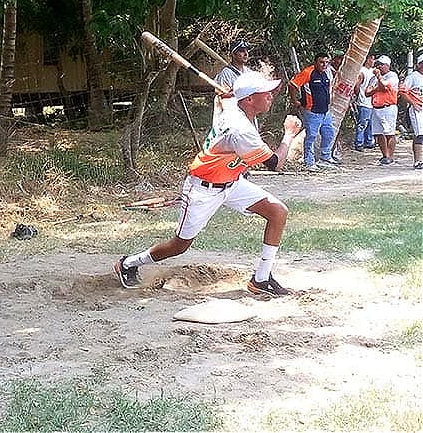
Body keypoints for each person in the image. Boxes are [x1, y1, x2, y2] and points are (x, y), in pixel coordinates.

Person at [114, 72, 303, 297]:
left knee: (278, 212)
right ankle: (128, 263)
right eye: (266, 93)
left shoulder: (236, 105)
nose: (271, 96)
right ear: (249, 100)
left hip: (231, 183)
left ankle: (261, 279)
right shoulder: (240, 129)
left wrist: (225, 95)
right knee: (179, 245)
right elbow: (275, 163)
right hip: (203, 189)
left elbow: (226, 98)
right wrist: (289, 134)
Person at [288, 52, 340, 171]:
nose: (324, 65)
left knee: (329, 134)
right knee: (311, 136)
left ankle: (325, 157)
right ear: (316, 62)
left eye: (327, 62)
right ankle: (309, 162)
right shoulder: (308, 72)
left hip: (325, 111)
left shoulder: (327, 73)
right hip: (312, 111)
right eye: (322, 62)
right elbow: (292, 84)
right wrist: (295, 100)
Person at [365, 55, 400, 165]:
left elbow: (384, 87)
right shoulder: (373, 78)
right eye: (378, 64)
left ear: (387, 66)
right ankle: (385, 155)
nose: (379, 66)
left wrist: (379, 78)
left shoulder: (392, 76)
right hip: (376, 107)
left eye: (382, 64)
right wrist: (377, 87)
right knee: (378, 133)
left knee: (389, 133)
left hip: (388, 107)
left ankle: (390, 155)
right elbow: (367, 92)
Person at [400, 53, 423, 169]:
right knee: (420, 135)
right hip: (417, 109)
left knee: (420, 134)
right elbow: (402, 91)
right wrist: (413, 103)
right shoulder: (413, 77)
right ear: (418, 65)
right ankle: (418, 161)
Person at [353, 54, 377, 151]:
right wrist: (359, 96)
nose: (373, 61)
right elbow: (357, 86)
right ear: (367, 59)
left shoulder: (372, 71)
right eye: (372, 59)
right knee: (362, 123)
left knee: (370, 122)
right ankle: (359, 142)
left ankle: (368, 141)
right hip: (364, 101)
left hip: (371, 102)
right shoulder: (362, 71)